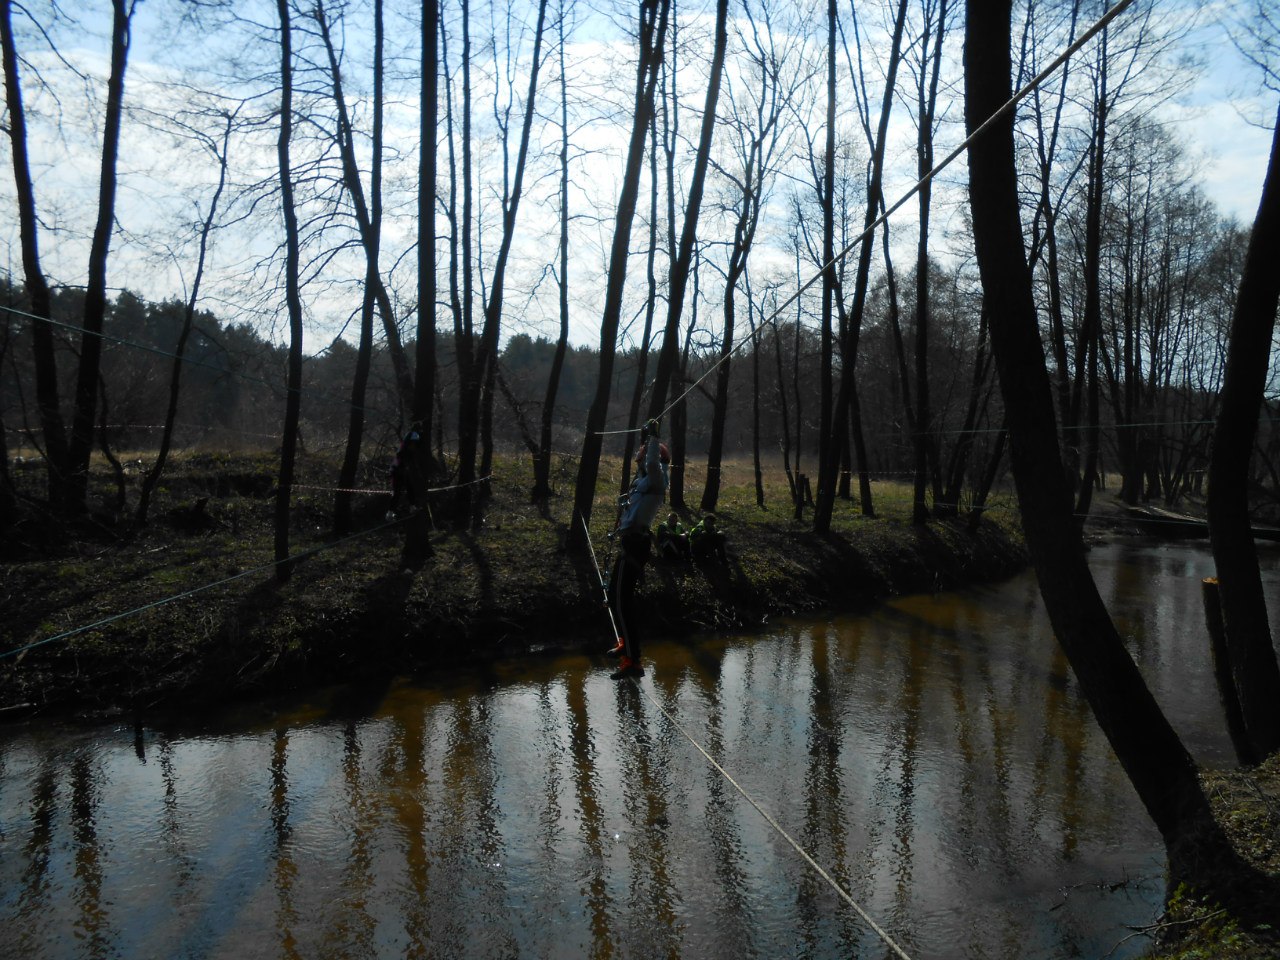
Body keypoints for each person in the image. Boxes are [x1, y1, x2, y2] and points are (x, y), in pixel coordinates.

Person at [606, 418, 667, 680]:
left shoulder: (657, 477)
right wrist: (645, 438)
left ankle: (633, 661)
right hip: (630, 541)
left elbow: (652, 462)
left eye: (641, 456)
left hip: (636, 544)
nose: (639, 459)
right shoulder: (643, 481)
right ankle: (626, 643)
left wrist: (653, 438)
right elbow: (644, 464)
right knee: (615, 595)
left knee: (621, 600)